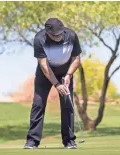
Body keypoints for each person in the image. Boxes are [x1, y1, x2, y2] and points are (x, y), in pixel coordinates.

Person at [24, 18, 82, 149]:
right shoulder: (40, 39)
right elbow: (44, 66)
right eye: (55, 35)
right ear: (48, 32)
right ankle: (32, 141)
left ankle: (69, 141)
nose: (59, 37)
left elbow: (76, 59)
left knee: (67, 104)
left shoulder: (71, 36)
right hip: (45, 74)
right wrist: (57, 84)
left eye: (60, 33)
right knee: (38, 104)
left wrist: (68, 75)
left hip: (65, 71)